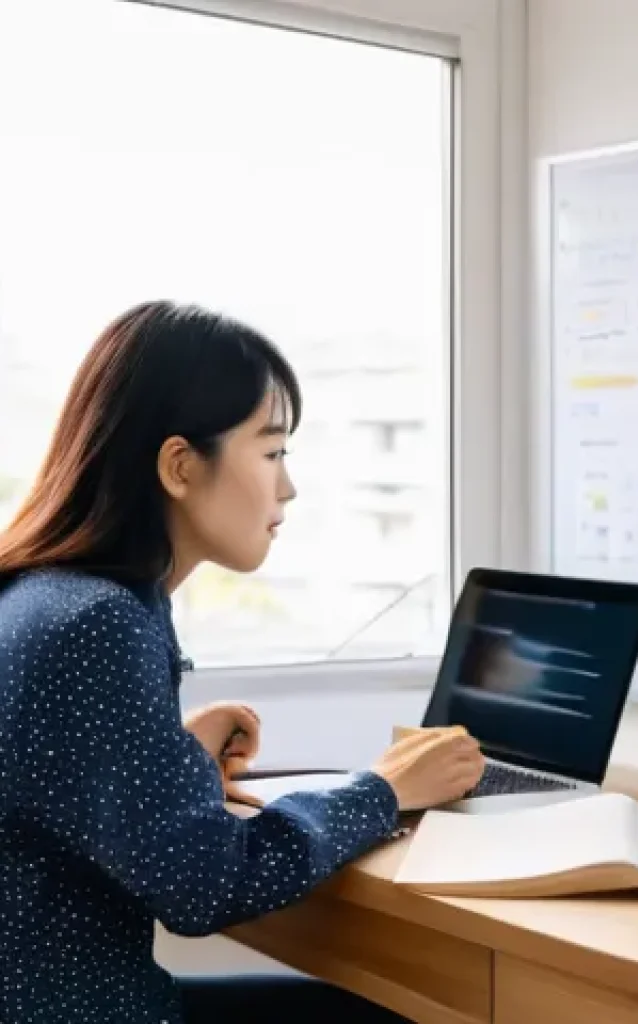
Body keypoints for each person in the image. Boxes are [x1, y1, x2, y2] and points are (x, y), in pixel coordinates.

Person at [0, 300, 486, 1024]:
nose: (287, 487)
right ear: (179, 465)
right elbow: (205, 886)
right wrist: (384, 790)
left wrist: (174, 755)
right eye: (272, 451)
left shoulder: (45, 595)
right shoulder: (98, 624)